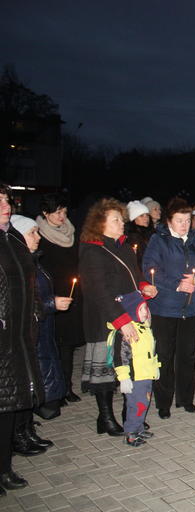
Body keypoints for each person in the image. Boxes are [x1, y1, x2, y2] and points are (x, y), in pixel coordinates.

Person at [79, 198, 158, 437]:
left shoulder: (123, 245)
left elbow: (134, 275)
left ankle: (129, 414)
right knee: (107, 371)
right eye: (116, 220)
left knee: (130, 367)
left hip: (129, 314)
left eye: (121, 219)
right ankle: (105, 417)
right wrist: (120, 320)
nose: (122, 223)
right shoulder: (93, 250)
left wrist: (144, 285)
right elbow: (98, 291)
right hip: (105, 318)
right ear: (100, 223)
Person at [142, 198, 195, 419]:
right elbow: (149, 269)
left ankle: (186, 398)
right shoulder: (159, 240)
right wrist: (177, 284)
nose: (184, 225)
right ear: (169, 220)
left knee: (188, 355)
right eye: (179, 220)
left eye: (187, 220)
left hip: (189, 308)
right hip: (164, 307)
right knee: (164, 355)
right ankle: (163, 402)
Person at [0, 184, 43, 494]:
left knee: (9, 402)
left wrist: (36, 311)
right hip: (3, 332)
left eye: (5, 198)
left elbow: (29, 279)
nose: (5, 204)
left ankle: (4, 466)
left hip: (18, 333)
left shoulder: (13, 237)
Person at [12, 215, 69, 423]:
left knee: (38, 379)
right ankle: (23, 430)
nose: (38, 237)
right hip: (29, 332)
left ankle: (27, 428)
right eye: (32, 233)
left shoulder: (33, 261)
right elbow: (22, 303)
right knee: (29, 381)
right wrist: (52, 304)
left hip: (42, 329)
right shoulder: (19, 266)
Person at [36, 193, 84, 405]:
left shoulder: (72, 233)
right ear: (45, 214)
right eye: (57, 212)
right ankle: (52, 389)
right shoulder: (38, 235)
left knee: (68, 345)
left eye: (64, 211)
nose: (62, 216)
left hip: (72, 294)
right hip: (50, 296)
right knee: (52, 344)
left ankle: (66, 387)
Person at [110, 291, 160, 446]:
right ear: (131, 311)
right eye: (141, 309)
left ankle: (138, 428)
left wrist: (155, 367)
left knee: (144, 404)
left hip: (146, 375)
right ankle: (131, 433)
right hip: (135, 378)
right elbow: (120, 357)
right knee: (136, 406)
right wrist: (124, 377)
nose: (146, 312)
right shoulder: (126, 332)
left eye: (146, 308)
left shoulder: (144, 328)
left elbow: (151, 352)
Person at [125, 200, 153, 267]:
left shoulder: (150, 232)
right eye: (141, 216)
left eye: (147, 215)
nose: (146, 218)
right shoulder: (133, 236)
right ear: (134, 219)